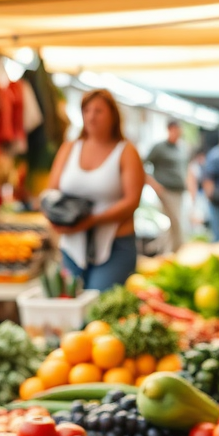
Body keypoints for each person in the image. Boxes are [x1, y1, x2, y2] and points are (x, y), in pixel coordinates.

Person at [47, 89, 144, 291]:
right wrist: (56, 217)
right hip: (72, 246)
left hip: (114, 244)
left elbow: (132, 201)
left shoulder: (126, 152)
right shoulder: (69, 148)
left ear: (113, 116)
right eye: (87, 110)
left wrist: (93, 220)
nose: (91, 116)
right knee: (72, 311)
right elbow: (51, 191)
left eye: (98, 111)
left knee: (98, 311)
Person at [145, 119, 187, 253]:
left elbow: (187, 169)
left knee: (173, 225)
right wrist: (154, 185)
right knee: (177, 223)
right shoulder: (159, 148)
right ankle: (179, 251)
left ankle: (160, 250)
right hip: (166, 190)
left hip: (179, 191)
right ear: (170, 129)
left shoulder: (181, 148)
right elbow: (141, 165)